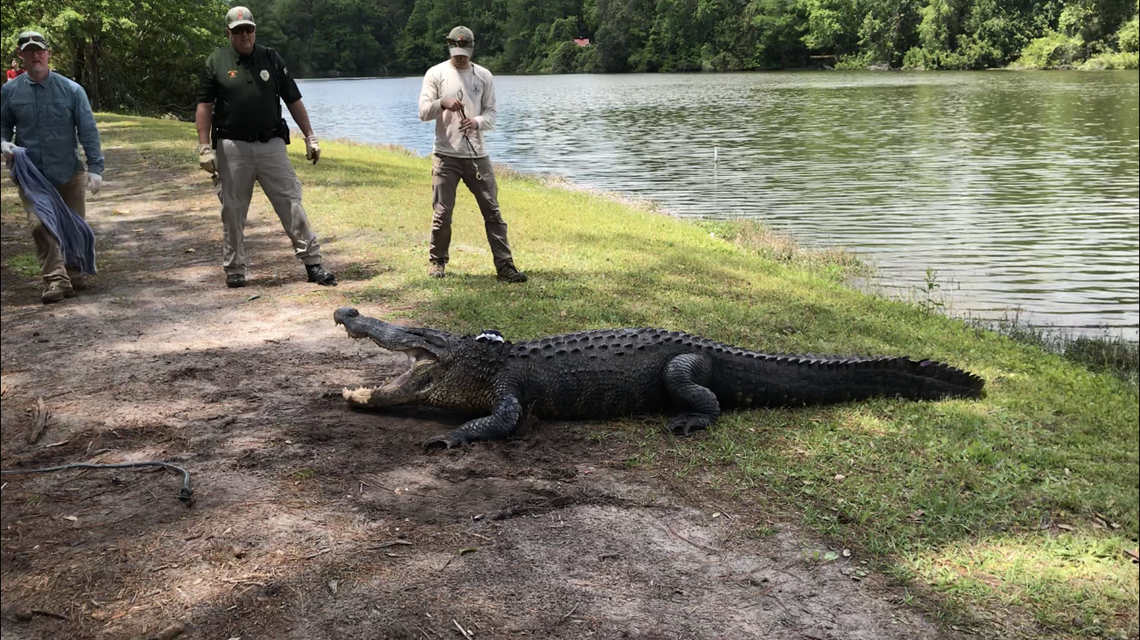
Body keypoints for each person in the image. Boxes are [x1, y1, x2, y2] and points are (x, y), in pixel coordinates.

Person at [195, 6, 336, 289]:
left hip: (271, 143)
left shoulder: (271, 58)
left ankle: (313, 263)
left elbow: (293, 99)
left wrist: (310, 135)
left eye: (249, 29)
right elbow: (205, 107)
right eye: (238, 31)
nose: (245, 35)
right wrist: (203, 147)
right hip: (232, 145)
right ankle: (235, 269)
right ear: (228, 33)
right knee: (232, 210)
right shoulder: (216, 62)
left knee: (291, 203)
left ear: (255, 30)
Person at [417, 26, 527, 283]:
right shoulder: (435, 73)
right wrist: (441, 103)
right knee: (442, 212)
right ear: (449, 47)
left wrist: (476, 122)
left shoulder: (484, 76)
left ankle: (505, 266)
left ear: (472, 48)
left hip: (478, 156)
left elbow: (492, 114)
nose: (461, 57)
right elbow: (423, 112)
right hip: (445, 155)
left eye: (465, 52)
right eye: (457, 52)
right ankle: (437, 263)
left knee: (493, 211)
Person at [1, 31, 103, 304]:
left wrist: (95, 168)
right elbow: (3, 125)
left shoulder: (71, 90)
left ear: (48, 54)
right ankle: (55, 279)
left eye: (39, 50)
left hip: (68, 171)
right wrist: (3, 143)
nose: (35, 55)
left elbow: (88, 130)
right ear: (21, 56)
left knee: (72, 224)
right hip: (30, 173)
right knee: (39, 224)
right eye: (29, 51)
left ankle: (73, 271)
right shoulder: (10, 91)